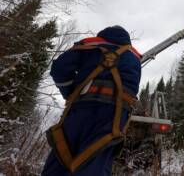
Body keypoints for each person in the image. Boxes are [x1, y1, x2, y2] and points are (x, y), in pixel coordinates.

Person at [42, 25, 142, 176]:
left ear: (102, 35)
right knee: (96, 160)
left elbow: (59, 68)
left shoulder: (89, 45)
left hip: (81, 109)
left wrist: (70, 93)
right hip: (113, 116)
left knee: (62, 158)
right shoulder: (134, 58)